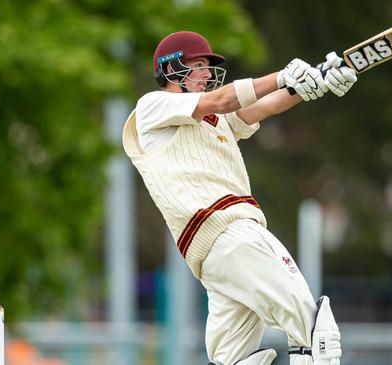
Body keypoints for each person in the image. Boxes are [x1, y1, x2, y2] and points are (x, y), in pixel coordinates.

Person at [122, 31, 357, 365]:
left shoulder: (213, 119)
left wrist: (314, 81)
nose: (206, 73)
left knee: (233, 359)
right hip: (230, 233)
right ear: (171, 69)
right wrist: (281, 75)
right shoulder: (153, 107)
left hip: (214, 258)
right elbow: (224, 99)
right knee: (315, 330)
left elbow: (263, 105)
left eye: (208, 66)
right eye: (198, 65)